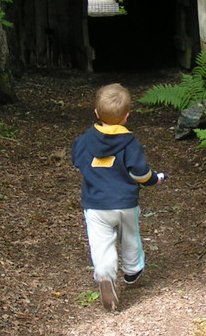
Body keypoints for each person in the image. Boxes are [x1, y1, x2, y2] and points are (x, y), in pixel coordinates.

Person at [71, 83, 166, 311]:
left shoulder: (84, 141)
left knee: (101, 242)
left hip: (96, 204)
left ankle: (105, 275)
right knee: (130, 236)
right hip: (124, 203)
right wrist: (155, 179)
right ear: (126, 117)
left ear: (96, 113)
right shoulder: (129, 143)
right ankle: (133, 270)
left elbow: (77, 160)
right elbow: (139, 173)